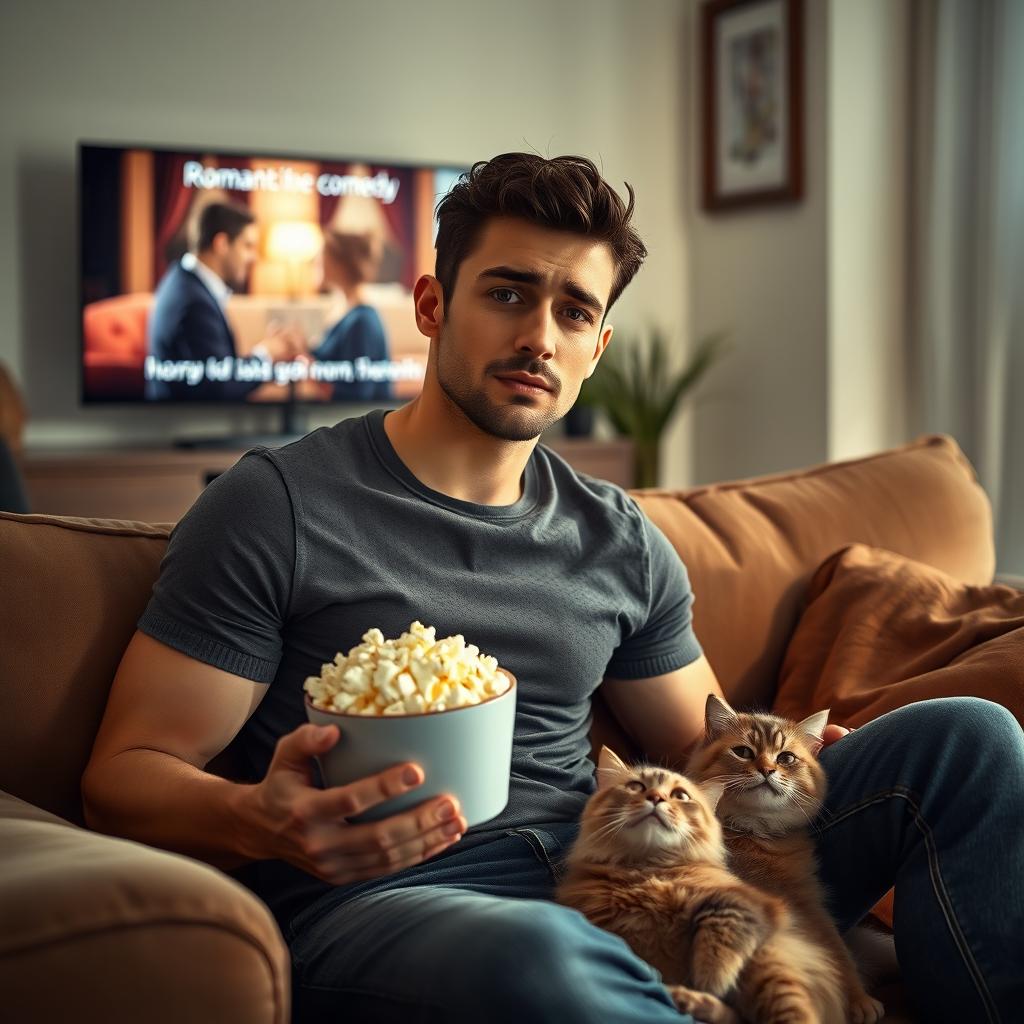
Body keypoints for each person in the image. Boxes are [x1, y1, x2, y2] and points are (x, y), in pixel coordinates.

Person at [84, 153, 1023, 1024]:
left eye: (574, 311)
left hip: (619, 873)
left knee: (970, 739)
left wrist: (794, 771)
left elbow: (699, 745)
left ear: (598, 346)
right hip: (400, 903)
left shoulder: (616, 537)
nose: (540, 335)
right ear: (430, 303)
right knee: (543, 955)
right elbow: (121, 778)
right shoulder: (277, 505)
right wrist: (258, 819)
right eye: (507, 293)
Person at [146, 201, 300, 400]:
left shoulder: (184, 280)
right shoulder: (193, 302)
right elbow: (218, 388)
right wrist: (265, 355)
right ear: (222, 244)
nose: (253, 257)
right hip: (189, 425)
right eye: (247, 246)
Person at [310, 226, 393, 402]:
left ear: (340, 264)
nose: (316, 261)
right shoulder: (345, 310)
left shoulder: (362, 321)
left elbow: (357, 394)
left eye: (322, 256)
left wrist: (308, 370)